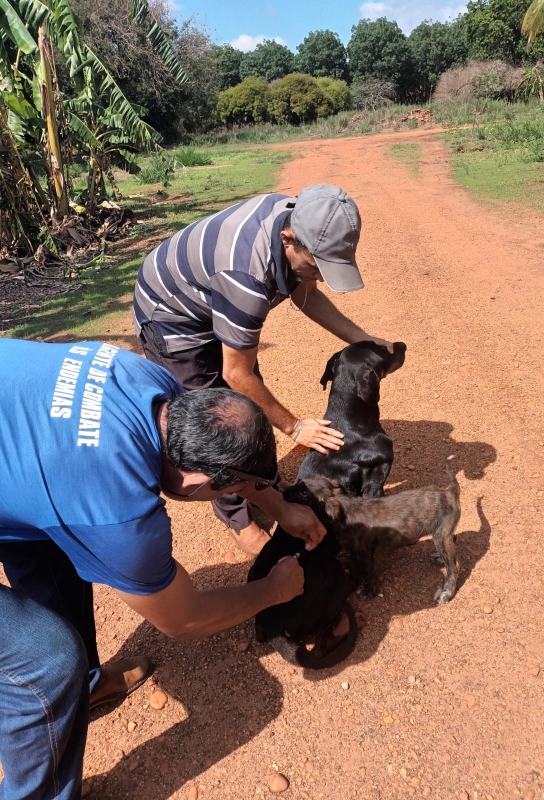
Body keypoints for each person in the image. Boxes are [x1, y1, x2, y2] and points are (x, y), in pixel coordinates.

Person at [0, 338, 324, 800]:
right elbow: (184, 619)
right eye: (227, 491)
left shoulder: (152, 383)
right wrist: (273, 589)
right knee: (46, 662)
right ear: (197, 482)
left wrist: (277, 505)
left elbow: (213, 463)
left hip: (21, 454)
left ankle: (85, 689)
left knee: (52, 534)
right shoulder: (119, 514)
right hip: (61, 473)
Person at [134, 183, 394, 555]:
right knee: (216, 422)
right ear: (289, 240)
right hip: (172, 315)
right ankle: (239, 520)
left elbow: (306, 293)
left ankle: (264, 487)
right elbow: (237, 375)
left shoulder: (301, 217)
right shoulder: (247, 278)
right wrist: (294, 426)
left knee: (250, 410)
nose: (320, 276)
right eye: (318, 266)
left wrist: (361, 337)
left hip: (214, 296)